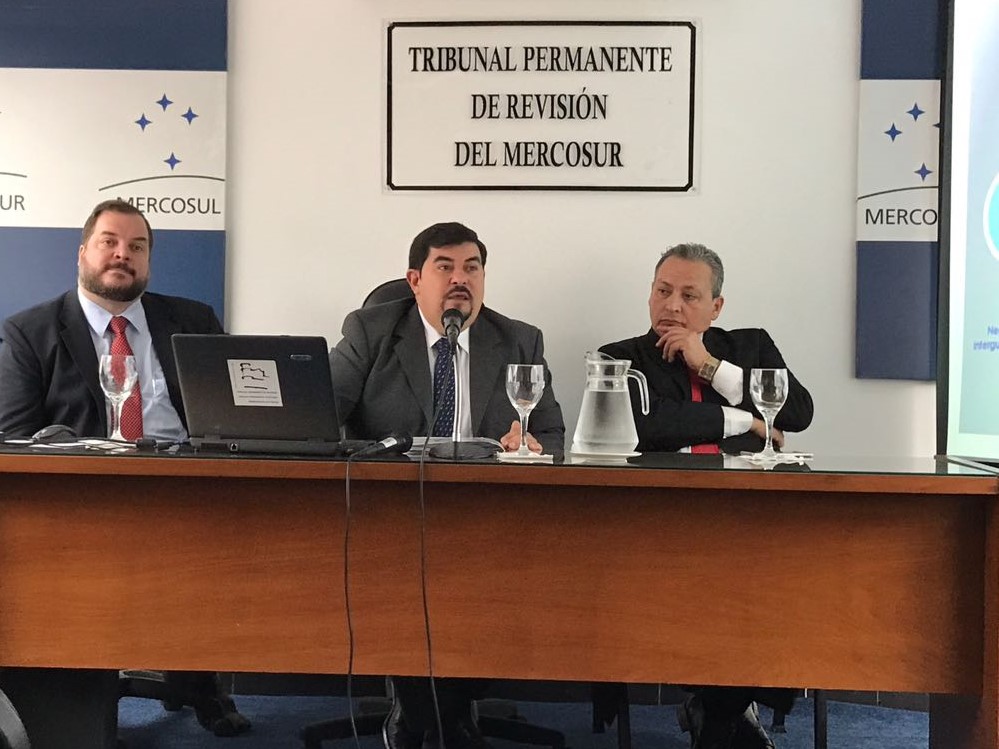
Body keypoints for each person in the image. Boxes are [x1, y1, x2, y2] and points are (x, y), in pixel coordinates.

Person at [0, 199, 250, 737]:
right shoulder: (30, 331)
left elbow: (229, 414)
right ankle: (82, 699)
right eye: (110, 242)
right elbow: (14, 441)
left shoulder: (193, 320)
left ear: (149, 261)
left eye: (137, 246)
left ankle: (200, 675)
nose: (123, 254)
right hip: (84, 501)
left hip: (188, 488)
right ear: (82, 253)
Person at [330, 221, 565, 749]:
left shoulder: (519, 340)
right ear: (415, 280)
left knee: (488, 582)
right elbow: (323, 412)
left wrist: (529, 443)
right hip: (389, 513)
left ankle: (431, 715)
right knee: (412, 579)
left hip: (486, 513)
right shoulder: (371, 332)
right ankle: (440, 718)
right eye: (445, 267)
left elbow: (552, 433)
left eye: (472, 268)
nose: (461, 279)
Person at [599, 242, 814, 749]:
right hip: (661, 527)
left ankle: (716, 713)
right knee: (721, 587)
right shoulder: (620, 357)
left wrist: (710, 365)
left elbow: (798, 412)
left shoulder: (750, 346)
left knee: (780, 584)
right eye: (662, 291)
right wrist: (748, 422)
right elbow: (644, 427)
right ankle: (723, 718)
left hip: (751, 521)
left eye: (689, 296)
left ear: (716, 307)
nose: (672, 306)